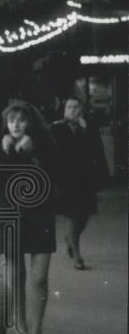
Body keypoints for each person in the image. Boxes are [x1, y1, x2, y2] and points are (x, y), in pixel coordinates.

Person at [0, 100, 57, 334]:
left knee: (39, 277)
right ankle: (20, 328)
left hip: (40, 215)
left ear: (30, 122)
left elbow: (56, 174)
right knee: (15, 275)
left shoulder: (46, 144)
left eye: (21, 119)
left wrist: (35, 150)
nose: (16, 125)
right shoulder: (1, 145)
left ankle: (37, 329)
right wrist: (5, 152)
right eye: (12, 120)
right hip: (12, 216)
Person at [51, 96, 109, 270]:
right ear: (64, 110)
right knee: (74, 216)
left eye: (76, 107)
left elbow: (98, 151)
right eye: (69, 107)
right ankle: (77, 255)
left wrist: (102, 175)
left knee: (85, 215)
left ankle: (70, 238)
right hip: (67, 179)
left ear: (82, 109)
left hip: (86, 178)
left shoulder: (90, 127)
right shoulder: (57, 127)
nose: (72, 110)